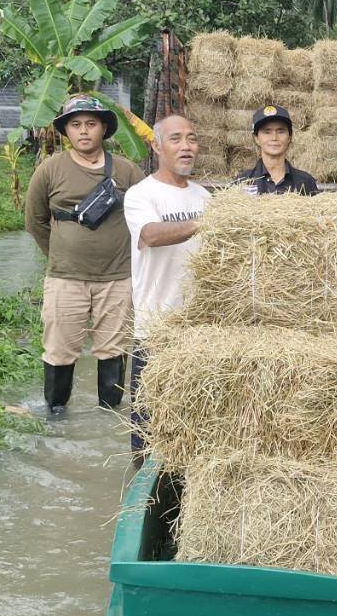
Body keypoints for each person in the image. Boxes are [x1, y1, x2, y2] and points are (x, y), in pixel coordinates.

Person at [24, 95, 144, 415]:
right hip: (65, 279)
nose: (84, 131)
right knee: (59, 350)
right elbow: (34, 221)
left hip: (118, 278)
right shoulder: (50, 170)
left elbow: (146, 217)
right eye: (75, 125)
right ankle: (56, 415)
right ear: (66, 131)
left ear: (104, 128)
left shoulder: (127, 171)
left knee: (113, 350)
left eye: (91, 124)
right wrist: (61, 253)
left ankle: (109, 416)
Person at [123, 114, 212, 456]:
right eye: (176, 139)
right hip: (156, 329)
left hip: (196, 330)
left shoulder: (205, 196)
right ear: (157, 145)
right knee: (146, 430)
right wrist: (205, 222)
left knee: (191, 423)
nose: (186, 146)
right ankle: (142, 495)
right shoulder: (140, 195)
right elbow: (150, 235)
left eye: (192, 138)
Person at [233, 104, 319, 195]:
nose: (274, 137)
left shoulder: (305, 181)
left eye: (281, 131)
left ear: (289, 137)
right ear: (256, 138)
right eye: (267, 132)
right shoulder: (243, 182)